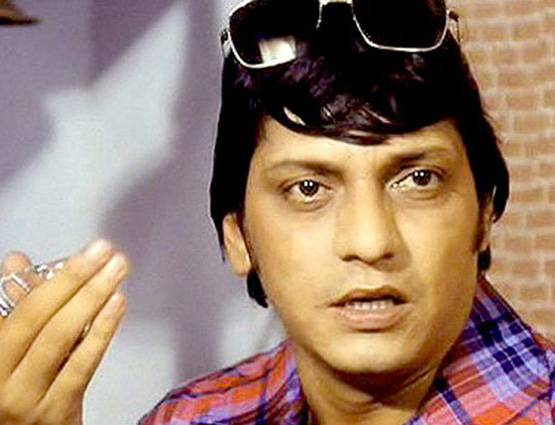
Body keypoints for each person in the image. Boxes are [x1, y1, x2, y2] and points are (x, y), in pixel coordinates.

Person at [0, 0, 553, 424]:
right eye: (308, 188)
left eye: (418, 179)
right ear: (239, 238)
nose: (369, 240)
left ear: (484, 212)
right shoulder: (194, 418)